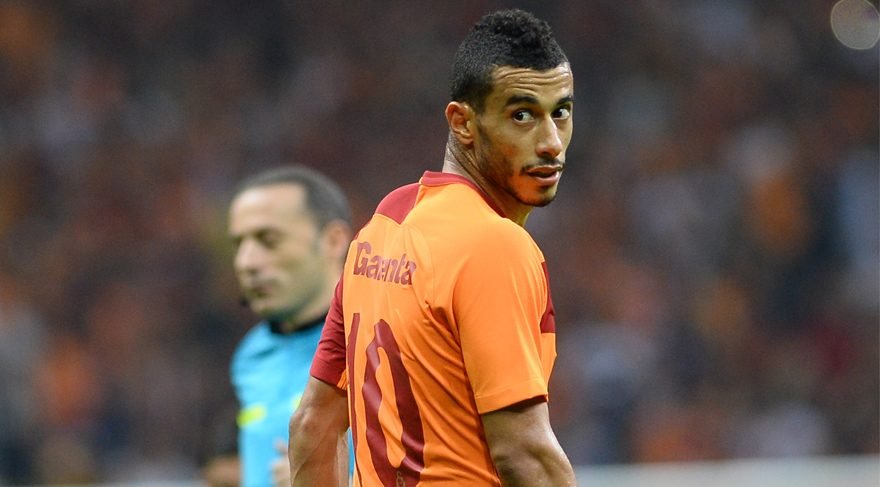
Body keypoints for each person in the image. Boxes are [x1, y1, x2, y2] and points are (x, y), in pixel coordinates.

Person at [289, 8, 577, 486]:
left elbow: (312, 426)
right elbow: (524, 453)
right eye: (522, 115)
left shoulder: (380, 230)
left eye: (560, 112)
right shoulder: (493, 245)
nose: (550, 142)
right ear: (462, 123)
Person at [206, 165, 353, 487]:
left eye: (268, 240)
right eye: (239, 244)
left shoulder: (376, 342)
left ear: (333, 241)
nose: (246, 262)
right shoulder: (251, 354)